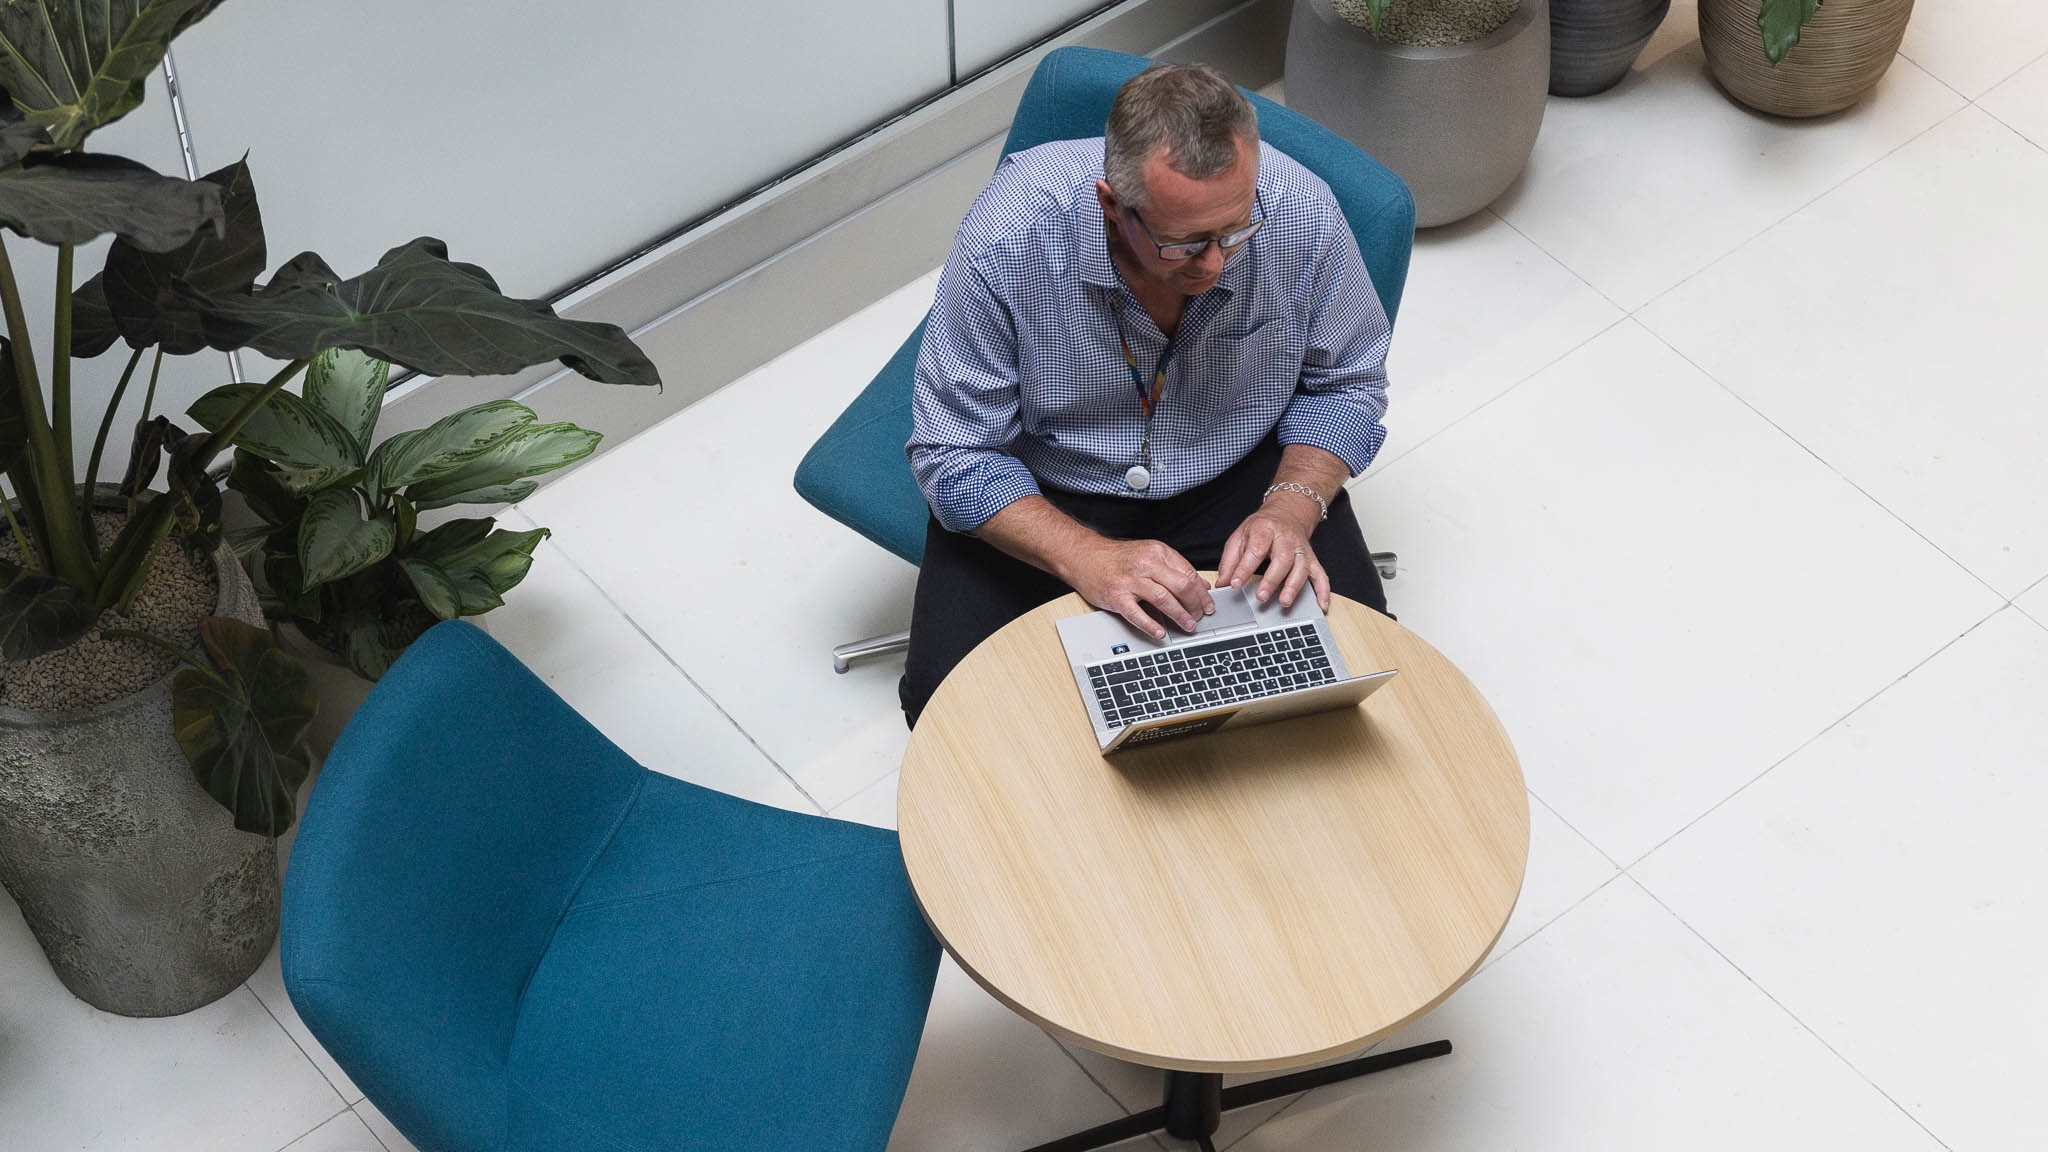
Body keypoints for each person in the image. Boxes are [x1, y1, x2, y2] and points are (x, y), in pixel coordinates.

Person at [900, 61, 1393, 728]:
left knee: (1350, 675)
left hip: (1236, 471)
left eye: (1235, 231)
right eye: (1185, 243)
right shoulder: (1008, 239)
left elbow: (1347, 383)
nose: (1217, 264)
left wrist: (1292, 507)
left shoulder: (1300, 213)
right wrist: (1084, 555)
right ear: (1112, 205)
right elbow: (954, 452)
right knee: (951, 711)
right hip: (1049, 481)